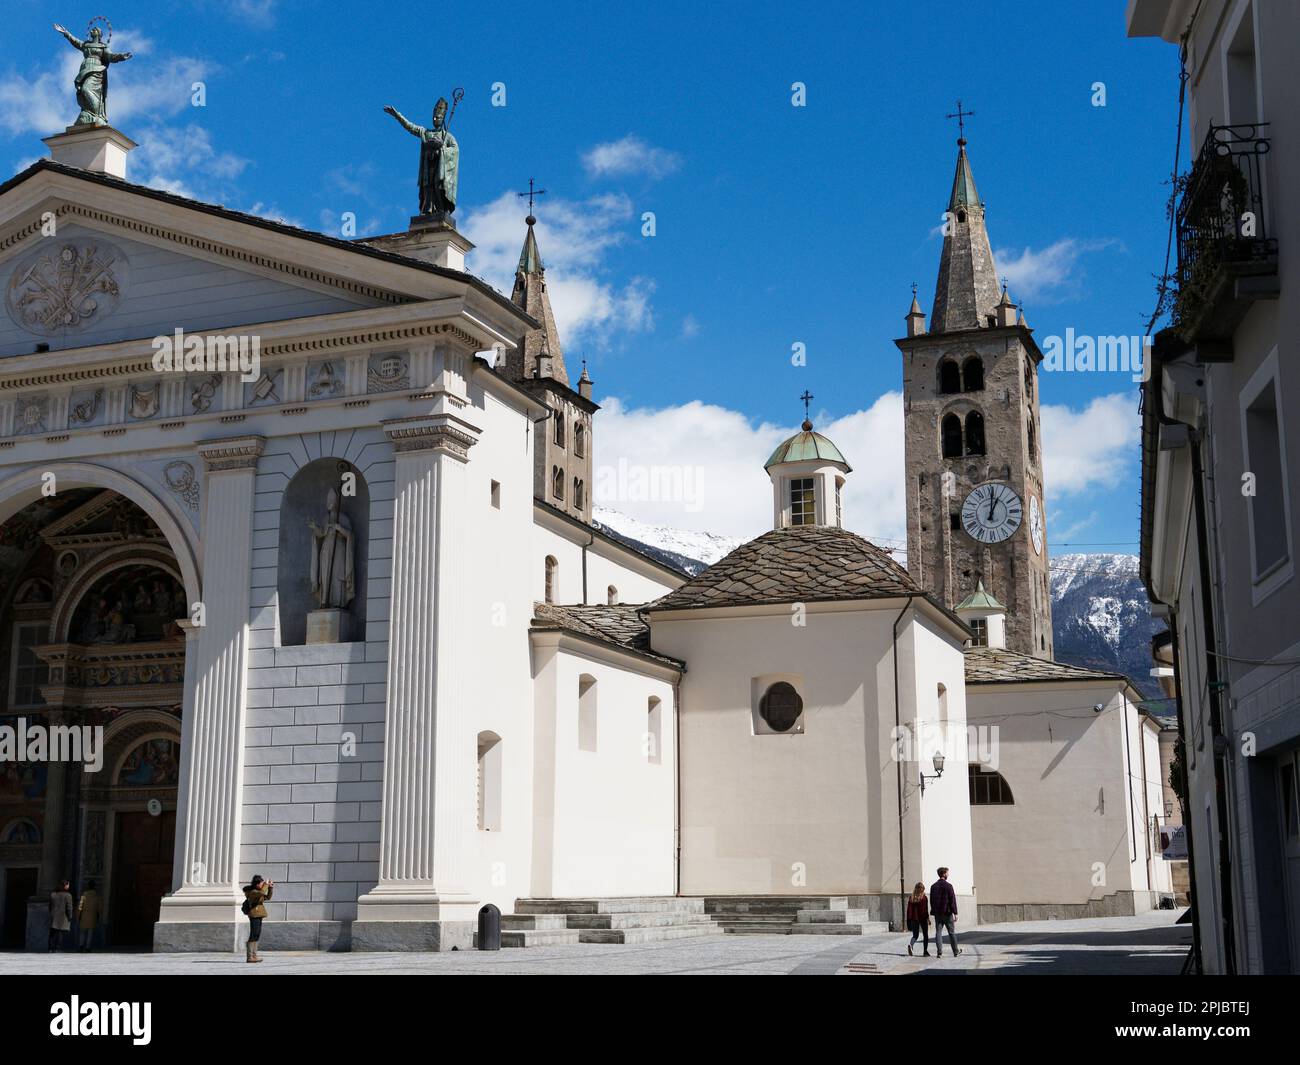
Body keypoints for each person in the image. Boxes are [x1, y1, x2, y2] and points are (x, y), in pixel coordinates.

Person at [930, 866, 962, 957]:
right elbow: (952, 900)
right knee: (951, 932)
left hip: (938, 914)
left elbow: (932, 900)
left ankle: (939, 952)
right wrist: (955, 913)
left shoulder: (933, 886)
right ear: (944, 874)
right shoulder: (949, 886)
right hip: (947, 913)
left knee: (938, 933)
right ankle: (956, 951)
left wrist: (934, 911)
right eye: (947, 873)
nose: (948, 874)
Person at [242, 875, 274, 963]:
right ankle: (249, 957)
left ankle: (254, 955)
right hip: (254, 915)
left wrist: (270, 888)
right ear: (256, 884)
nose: (262, 884)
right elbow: (263, 892)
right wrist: (266, 885)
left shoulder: (259, 891)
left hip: (259, 914)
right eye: (261, 883)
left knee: (257, 934)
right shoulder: (253, 892)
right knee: (253, 934)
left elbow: (267, 897)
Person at [905, 881, 930, 957]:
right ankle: (925, 952)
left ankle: (911, 944)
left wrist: (908, 920)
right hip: (922, 918)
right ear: (923, 890)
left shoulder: (911, 898)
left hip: (913, 919)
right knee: (925, 935)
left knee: (915, 935)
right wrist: (928, 919)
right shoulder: (924, 898)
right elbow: (925, 910)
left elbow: (909, 910)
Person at [48, 880, 73, 953]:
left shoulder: (53, 894)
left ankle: (50, 948)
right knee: (60, 932)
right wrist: (70, 916)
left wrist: (51, 913)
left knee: (52, 932)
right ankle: (57, 948)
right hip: (63, 916)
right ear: (65, 886)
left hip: (54, 915)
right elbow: (69, 907)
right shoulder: (68, 895)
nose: (68, 886)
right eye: (68, 885)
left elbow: (50, 906)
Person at [77, 880, 101, 952]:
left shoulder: (83, 895)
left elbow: (80, 906)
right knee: (90, 933)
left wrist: (78, 914)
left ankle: (81, 946)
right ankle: (88, 947)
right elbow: (99, 907)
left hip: (84, 916)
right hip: (93, 916)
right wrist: (99, 915)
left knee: (82, 933)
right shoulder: (97, 896)